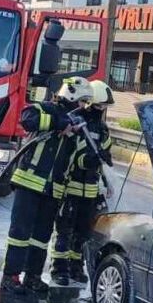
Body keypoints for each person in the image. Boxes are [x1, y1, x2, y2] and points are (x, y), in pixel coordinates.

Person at [1, 76, 92, 295]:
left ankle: (33, 276)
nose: (83, 106)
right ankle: (10, 276)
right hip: (29, 183)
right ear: (71, 95)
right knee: (20, 232)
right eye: (82, 101)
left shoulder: (77, 124)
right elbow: (27, 119)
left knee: (41, 237)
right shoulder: (45, 109)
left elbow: (77, 157)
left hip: (54, 189)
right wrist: (59, 123)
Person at [50, 80, 114, 286]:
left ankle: (75, 267)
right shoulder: (76, 122)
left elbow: (103, 158)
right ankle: (59, 268)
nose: (102, 110)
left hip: (91, 190)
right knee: (64, 231)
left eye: (104, 107)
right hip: (71, 188)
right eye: (100, 105)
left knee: (83, 233)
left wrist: (106, 181)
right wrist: (89, 160)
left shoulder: (103, 130)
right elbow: (72, 155)